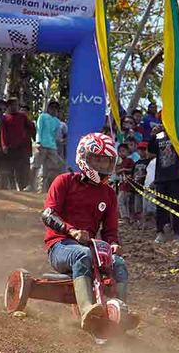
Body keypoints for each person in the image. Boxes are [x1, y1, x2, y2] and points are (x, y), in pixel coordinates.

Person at [41, 132, 130, 332]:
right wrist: (71, 231)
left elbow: (110, 232)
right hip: (59, 246)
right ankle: (87, 310)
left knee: (119, 263)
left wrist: (113, 244)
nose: (101, 166)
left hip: (91, 249)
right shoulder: (64, 181)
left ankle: (121, 312)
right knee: (83, 255)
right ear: (84, 157)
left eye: (106, 161)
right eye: (97, 159)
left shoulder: (109, 194)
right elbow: (47, 215)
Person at [148, 126, 179, 242]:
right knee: (160, 207)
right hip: (161, 179)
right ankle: (160, 232)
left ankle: (178, 233)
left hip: (175, 178)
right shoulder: (159, 140)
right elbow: (150, 149)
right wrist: (153, 134)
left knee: (176, 206)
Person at [0, 97, 36, 190]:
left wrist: (29, 137)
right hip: (11, 147)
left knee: (22, 169)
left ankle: (22, 187)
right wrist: (4, 145)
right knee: (10, 169)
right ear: (8, 106)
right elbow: (3, 132)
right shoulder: (5, 118)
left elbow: (31, 127)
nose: (14, 107)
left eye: (15, 105)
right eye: (12, 105)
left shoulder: (22, 116)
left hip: (22, 148)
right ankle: (12, 187)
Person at [34, 100, 64, 192]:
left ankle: (47, 187)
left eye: (56, 109)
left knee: (56, 165)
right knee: (36, 165)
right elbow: (39, 130)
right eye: (52, 108)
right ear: (49, 109)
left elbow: (55, 135)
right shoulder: (43, 117)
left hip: (52, 146)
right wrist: (38, 142)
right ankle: (31, 185)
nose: (54, 110)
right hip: (42, 144)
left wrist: (59, 141)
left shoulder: (57, 121)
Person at [116, 143, 135, 222]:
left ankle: (125, 217)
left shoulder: (129, 160)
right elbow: (117, 172)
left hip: (128, 184)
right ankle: (128, 218)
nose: (121, 153)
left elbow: (133, 170)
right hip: (122, 184)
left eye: (123, 151)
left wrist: (124, 170)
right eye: (119, 151)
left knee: (121, 201)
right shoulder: (120, 163)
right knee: (124, 201)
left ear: (128, 151)